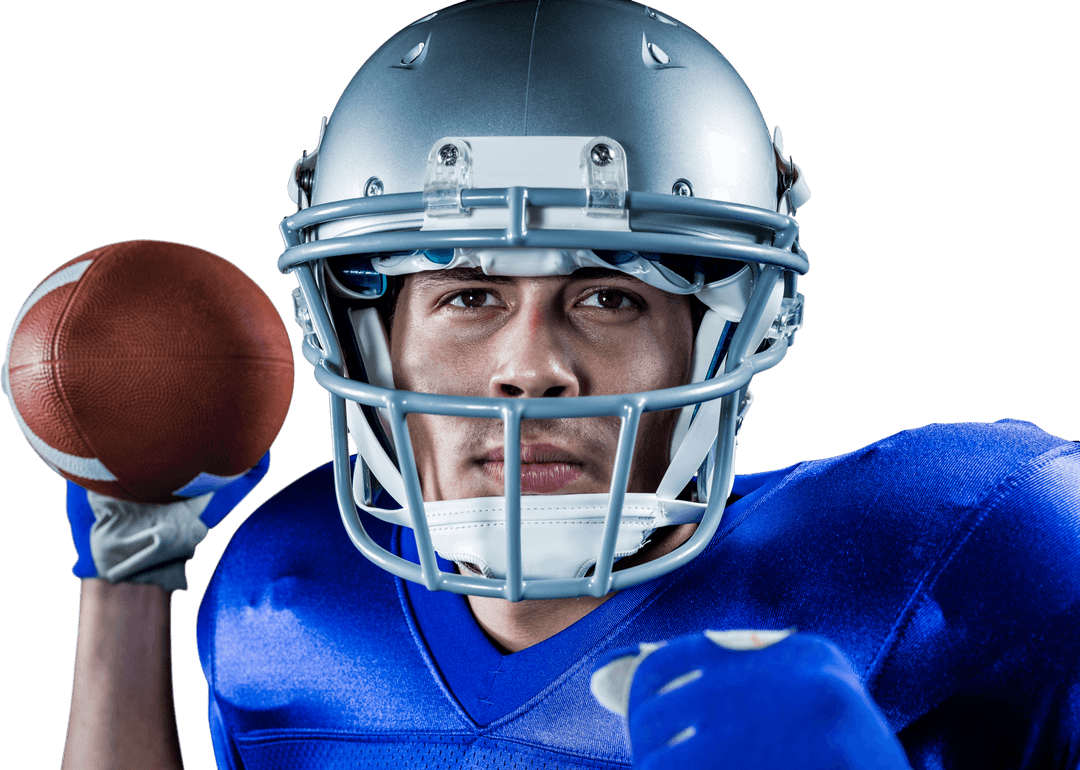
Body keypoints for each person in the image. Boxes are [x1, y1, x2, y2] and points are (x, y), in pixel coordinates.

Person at [42, 1, 1080, 768]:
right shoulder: (289, 592)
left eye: (608, 296)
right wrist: (124, 597)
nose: (530, 364)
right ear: (368, 335)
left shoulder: (957, 559)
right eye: (468, 295)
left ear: (719, 331)